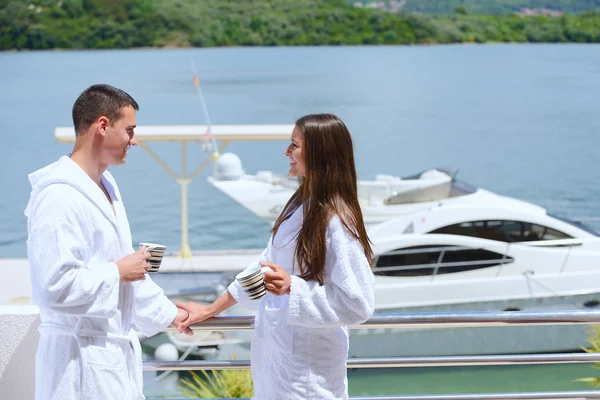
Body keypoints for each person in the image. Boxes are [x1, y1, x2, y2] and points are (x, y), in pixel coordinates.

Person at [176, 113, 375, 400]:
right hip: (277, 369)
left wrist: (294, 288)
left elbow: (359, 304)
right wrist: (211, 309)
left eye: (294, 145)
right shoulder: (301, 206)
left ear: (319, 153)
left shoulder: (337, 221)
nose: (286, 152)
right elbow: (263, 267)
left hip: (309, 379)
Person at [24, 84, 192, 400]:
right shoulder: (58, 197)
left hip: (107, 361)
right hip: (76, 370)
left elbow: (125, 276)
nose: (135, 140)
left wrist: (171, 313)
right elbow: (53, 288)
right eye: (129, 130)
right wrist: (117, 271)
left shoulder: (105, 187)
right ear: (102, 126)